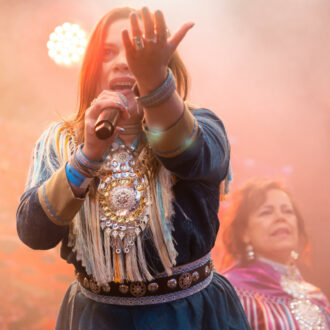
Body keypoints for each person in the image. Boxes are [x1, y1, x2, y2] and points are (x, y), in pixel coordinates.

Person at [16, 7, 249, 329]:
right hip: (97, 318)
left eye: (136, 51)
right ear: (91, 69)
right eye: (108, 52)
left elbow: (185, 153)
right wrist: (86, 157)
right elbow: (34, 233)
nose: (124, 62)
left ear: (164, 63)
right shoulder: (59, 141)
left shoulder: (204, 126)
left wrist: (154, 85)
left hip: (191, 315)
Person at [220, 179, 330, 329]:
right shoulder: (230, 292)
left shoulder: (318, 297)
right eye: (266, 212)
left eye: (288, 211)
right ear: (244, 232)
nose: (280, 217)